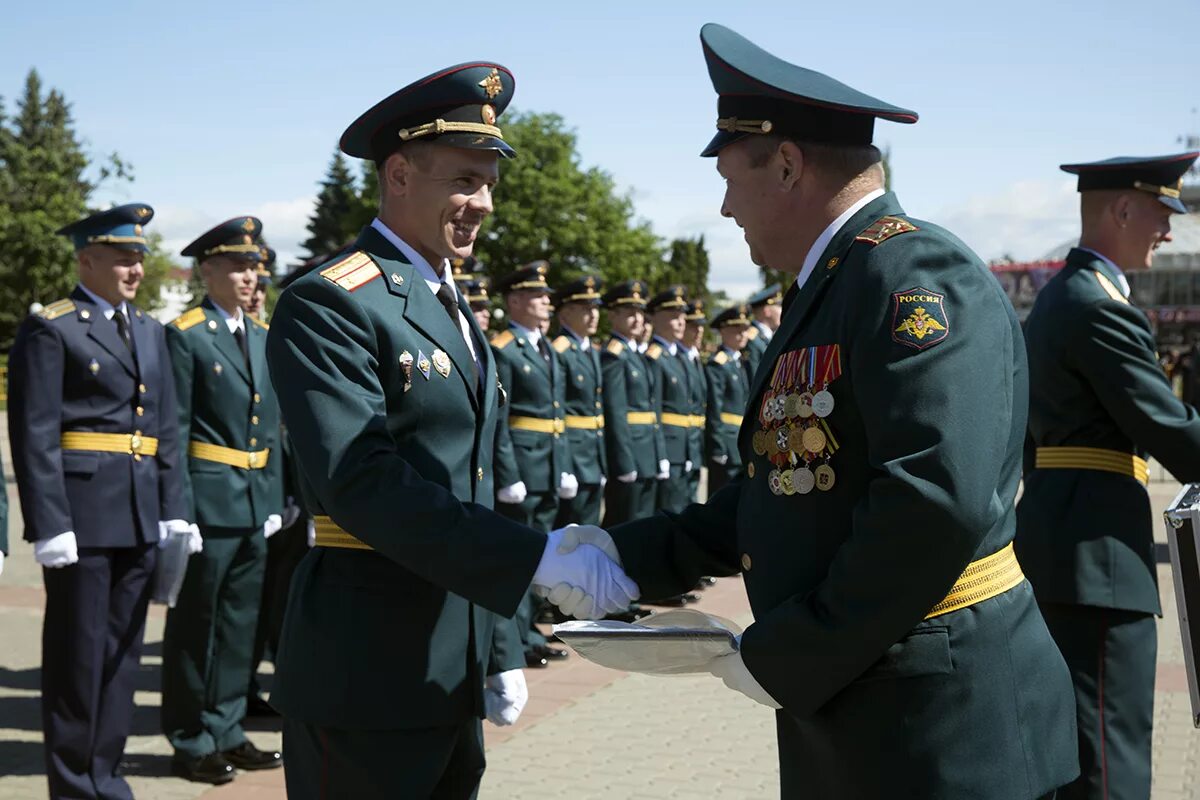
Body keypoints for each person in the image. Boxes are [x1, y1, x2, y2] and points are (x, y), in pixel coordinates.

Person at [560, 24, 1078, 799]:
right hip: (869, 696)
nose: (727, 206)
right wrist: (623, 556)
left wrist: (790, 653)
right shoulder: (836, 284)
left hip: (942, 716)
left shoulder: (911, 274)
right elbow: (789, 482)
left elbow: (935, 498)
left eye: (732, 176)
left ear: (789, 165)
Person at [263, 62, 636, 799]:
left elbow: (473, 488)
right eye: (465, 180)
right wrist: (535, 561)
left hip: (449, 659)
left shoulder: (450, 301)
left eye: (489, 183)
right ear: (399, 173)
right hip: (365, 667)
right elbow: (364, 481)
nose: (483, 203)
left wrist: (496, 642)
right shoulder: (332, 302)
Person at [1016, 151, 1200, 800]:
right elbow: (1166, 424)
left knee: (1082, 752)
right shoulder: (1097, 306)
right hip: (1097, 562)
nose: (1169, 231)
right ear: (1122, 209)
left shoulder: (1063, 296)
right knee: (1109, 761)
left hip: (1069, 545)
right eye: (1161, 213)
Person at [8, 203, 190, 799]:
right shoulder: (53, 326)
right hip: (83, 516)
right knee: (75, 661)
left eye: (138, 258)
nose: (135, 269)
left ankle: (106, 778)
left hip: (138, 514)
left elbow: (165, 427)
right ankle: (72, 784)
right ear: (87, 259)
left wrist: (173, 507)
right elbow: (34, 432)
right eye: (122, 258)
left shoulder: (149, 331)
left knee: (121, 660)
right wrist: (49, 522)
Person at [162, 217, 285, 784]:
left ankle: (229, 729)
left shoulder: (261, 336)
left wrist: (277, 494)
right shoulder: (187, 334)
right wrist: (179, 509)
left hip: (256, 504)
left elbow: (272, 425)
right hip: (209, 505)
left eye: (252, 265)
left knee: (240, 625)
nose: (247, 275)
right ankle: (191, 739)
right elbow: (176, 430)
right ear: (205, 271)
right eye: (235, 265)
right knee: (197, 628)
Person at [491, 262, 575, 666]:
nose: (547, 302)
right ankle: (516, 641)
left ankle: (529, 632)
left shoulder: (545, 347)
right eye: (538, 296)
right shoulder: (503, 348)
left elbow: (556, 414)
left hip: (548, 467)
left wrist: (565, 465)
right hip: (523, 469)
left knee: (539, 557)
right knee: (520, 559)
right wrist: (508, 475)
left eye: (546, 296)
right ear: (514, 301)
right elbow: (500, 420)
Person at [600, 280, 661, 526]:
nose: (637, 319)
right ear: (613, 316)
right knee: (623, 522)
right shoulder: (614, 355)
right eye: (629, 313)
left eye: (639, 312)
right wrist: (624, 461)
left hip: (646, 452)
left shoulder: (635, 354)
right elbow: (616, 412)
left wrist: (659, 455)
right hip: (631, 453)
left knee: (642, 521)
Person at [552, 276, 608, 526]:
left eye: (595, 308)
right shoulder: (561, 350)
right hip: (573, 455)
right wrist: (564, 465)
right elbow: (558, 410)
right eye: (585, 309)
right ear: (564, 315)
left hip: (593, 454)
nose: (593, 314)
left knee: (590, 529)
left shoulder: (590, 351)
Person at [645, 285, 697, 514]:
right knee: (669, 512)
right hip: (668, 447)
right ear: (656, 318)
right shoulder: (654, 357)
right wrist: (661, 454)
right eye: (673, 316)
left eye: (682, 316)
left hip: (684, 447)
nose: (681, 322)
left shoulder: (681, 358)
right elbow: (654, 409)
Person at [704, 304, 752, 496]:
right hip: (726, 441)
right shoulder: (718, 364)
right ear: (723, 331)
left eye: (744, 330)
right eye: (736, 330)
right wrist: (717, 447)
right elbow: (714, 409)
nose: (742, 335)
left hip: (739, 441)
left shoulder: (739, 362)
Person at [681, 299, 708, 504]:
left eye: (701, 326)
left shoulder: (694, 358)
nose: (699, 331)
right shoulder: (678, 358)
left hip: (694, 442)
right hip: (678, 444)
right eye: (693, 326)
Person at [742, 283, 780, 378]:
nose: (781, 310)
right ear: (766, 311)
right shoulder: (752, 340)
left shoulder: (766, 337)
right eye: (779, 306)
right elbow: (753, 378)